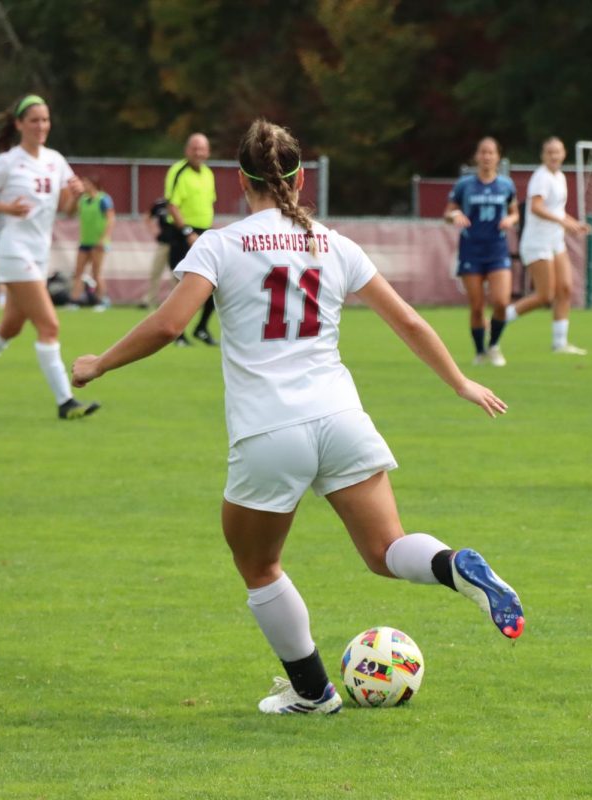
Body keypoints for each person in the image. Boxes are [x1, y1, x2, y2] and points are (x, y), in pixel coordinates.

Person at [71, 119, 525, 715]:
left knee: (257, 564)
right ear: (301, 176)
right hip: (341, 417)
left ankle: (313, 693)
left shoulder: (221, 243)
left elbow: (166, 325)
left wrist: (99, 363)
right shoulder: (334, 243)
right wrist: (461, 381)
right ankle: (453, 566)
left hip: (271, 429)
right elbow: (410, 321)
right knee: (387, 548)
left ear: (240, 180)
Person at [0, 93, 100, 421]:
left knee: (11, 326)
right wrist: (7, 208)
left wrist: (76, 196)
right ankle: (66, 402)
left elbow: (66, 211)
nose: (41, 126)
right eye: (34, 120)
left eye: (45, 120)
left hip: (37, 253)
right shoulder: (7, 161)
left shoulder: (56, 160)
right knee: (49, 325)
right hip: (13, 251)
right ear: (19, 124)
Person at [502, 136, 590, 354]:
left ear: (563, 154)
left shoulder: (559, 176)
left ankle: (560, 343)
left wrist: (574, 224)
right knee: (544, 295)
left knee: (565, 289)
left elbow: (558, 210)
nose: (554, 156)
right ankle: (500, 318)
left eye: (557, 152)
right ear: (543, 155)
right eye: (550, 152)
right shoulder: (541, 177)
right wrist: (562, 222)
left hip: (555, 241)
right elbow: (536, 208)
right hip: (537, 242)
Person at [445, 137, 518, 366]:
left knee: (501, 302)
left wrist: (510, 219)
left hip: (497, 250)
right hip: (471, 250)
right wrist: (456, 216)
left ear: (498, 157)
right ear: (477, 157)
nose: (487, 157)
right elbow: (448, 212)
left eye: (491, 153)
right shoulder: (465, 185)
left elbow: (515, 212)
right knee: (477, 306)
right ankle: (480, 352)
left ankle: (494, 345)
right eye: (483, 152)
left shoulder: (506, 185)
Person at [165, 133, 217, 345]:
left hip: (204, 233)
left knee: (214, 281)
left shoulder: (208, 173)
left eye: (202, 148)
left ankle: (202, 327)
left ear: (208, 151)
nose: (198, 152)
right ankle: (178, 334)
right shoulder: (178, 171)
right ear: (187, 150)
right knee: (182, 285)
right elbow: (172, 204)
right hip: (183, 234)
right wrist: (187, 232)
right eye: (195, 148)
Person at [69, 176, 115, 310]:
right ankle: (74, 300)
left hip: (98, 242)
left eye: (86, 183)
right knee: (78, 272)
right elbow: (70, 213)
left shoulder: (103, 199)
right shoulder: (82, 200)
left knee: (96, 272)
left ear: (93, 184)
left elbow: (111, 219)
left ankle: (102, 300)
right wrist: (74, 197)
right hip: (85, 241)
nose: (83, 186)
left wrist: (104, 238)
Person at [138, 196, 174, 311]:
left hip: (178, 243)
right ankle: (149, 299)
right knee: (155, 271)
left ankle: (173, 301)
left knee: (176, 274)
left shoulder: (182, 203)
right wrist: (154, 232)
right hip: (163, 242)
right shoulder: (160, 204)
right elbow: (147, 217)